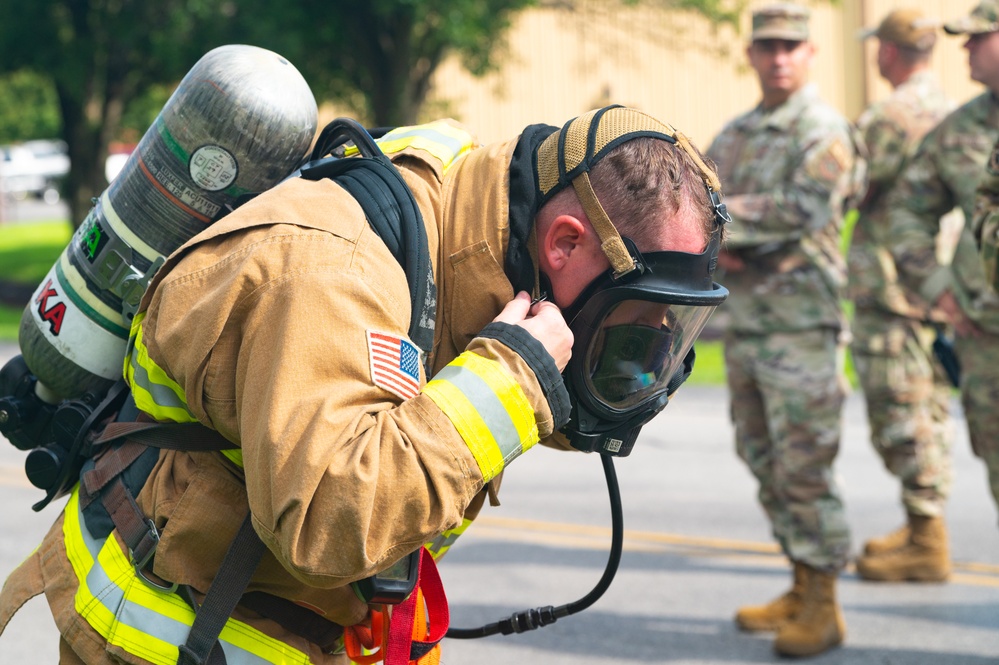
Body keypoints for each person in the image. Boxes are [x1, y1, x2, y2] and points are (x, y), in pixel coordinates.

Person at [0, 105, 730, 664]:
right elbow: (326, 522)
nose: (646, 348)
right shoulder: (328, 273)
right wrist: (511, 379)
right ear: (565, 241)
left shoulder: (484, 217)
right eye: (634, 320)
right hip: (168, 636)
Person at [706, 3, 863, 658]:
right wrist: (731, 232)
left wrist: (728, 226)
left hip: (800, 324)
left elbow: (799, 208)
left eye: (790, 47)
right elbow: (696, 201)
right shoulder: (736, 132)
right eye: (767, 46)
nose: (778, 57)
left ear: (809, 54)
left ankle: (823, 601)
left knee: (804, 466)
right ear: (750, 53)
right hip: (745, 324)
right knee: (762, 455)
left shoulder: (823, 129)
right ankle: (799, 580)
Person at [848, 8, 956, 583]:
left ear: (887, 52)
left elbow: (850, 184)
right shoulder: (949, 110)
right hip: (939, 288)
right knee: (928, 405)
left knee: (901, 407)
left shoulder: (889, 115)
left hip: (893, 286)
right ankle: (922, 527)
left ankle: (927, 535)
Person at [888, 0, 999, 523]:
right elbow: (908, 208)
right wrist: (937, 286)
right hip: (986, 337)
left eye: (978, 37)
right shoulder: (962, 128)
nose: (966, 48)